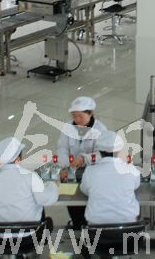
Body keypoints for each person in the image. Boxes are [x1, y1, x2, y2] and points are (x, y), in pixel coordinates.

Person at [56, 96, 108, 230]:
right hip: (71, 172)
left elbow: (102, 153)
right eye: (74, 116)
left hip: (92, 173)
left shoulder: (101, 130)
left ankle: (89, 227)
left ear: (90, 113)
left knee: (88, 201)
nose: (77, 120)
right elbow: (62, 148)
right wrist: (65, 166)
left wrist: (84, 159)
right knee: (71, 200)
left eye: (80, 116)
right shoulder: (68, 127)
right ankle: (76, 225)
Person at [0, 137, 58, 233]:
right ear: (18, 158)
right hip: (28, 236)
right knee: (47, 221)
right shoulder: (30, 176)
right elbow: (45, 200)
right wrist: (53, 185)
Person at [79, 132, 140, 225]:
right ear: (119, 151)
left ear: (99, 152)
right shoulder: (131, 170)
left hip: (96, 230)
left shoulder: (90, 171)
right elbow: (135, 186)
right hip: (128, 228)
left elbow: (85, 190)